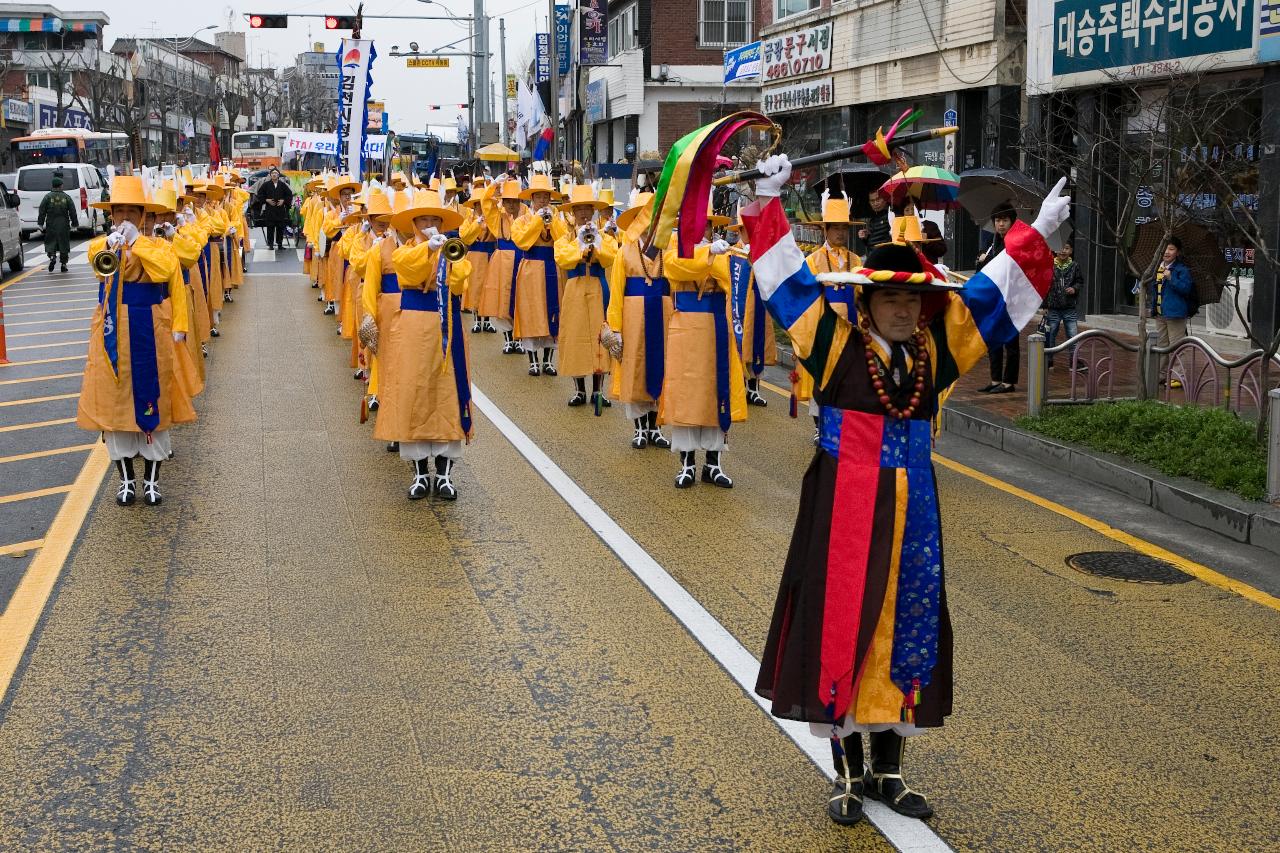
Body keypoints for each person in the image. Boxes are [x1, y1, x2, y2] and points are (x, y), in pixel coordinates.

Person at [742, 152, 1068, 828]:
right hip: (843, 505)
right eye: (889, 296)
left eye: (911, 298)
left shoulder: (934, 351)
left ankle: (889, 769)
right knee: (841, 623)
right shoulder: (832, 345)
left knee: (907, 623)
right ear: (866, 301)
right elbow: (787, 287)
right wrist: (764, 205)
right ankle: (846, 769)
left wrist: (1034, 234)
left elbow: (989, 296)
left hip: (914, 506)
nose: (900, 308)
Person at [78, 176, 197, 506]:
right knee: (116, 407)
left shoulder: (157, 246)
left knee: (153, 401)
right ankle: (126, 480)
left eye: (133, 211)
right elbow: (95, 262)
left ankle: (152, 481)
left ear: (144, 216)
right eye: (120, 212)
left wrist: (138, 242)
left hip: (150, 331)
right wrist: (113, 243)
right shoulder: (103, 244)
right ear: (112, 215)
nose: (126, 217)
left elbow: (165, 270)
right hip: (111, 333)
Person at [378, 189, 474, 500]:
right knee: (414, 393)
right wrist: (427, 251)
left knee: (447, 394)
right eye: (424, 219)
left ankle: (445, 475)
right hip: (414, 327)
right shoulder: (404, 250)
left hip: (447, 325)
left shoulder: (453, 249)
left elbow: (461, 281)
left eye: (435, 219)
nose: (430, 224)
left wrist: (446, 255)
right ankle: (420, 474)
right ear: (415, 223)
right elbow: (408, 268)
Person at [662, 214, 747, 488]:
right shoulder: (675, 245)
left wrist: (713, 256)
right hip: (686, 327)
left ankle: (714, 462)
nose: (703, 229)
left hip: (715, 326)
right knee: (686, 393)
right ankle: (686, 463)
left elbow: (728, 278)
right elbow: (675, 269)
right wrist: (707, 254)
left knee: (716, 391)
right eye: (698, 223)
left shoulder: (723, 249)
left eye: (707, 224)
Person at [604, 192, 672, 451]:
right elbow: (616, 291)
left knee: (662, 364)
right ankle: (640, 428)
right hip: (634, 316)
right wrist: (616, 327)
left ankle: (656, 426)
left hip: (663, 313)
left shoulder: (669, 246)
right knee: (636, 367)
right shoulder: (625, 251)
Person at [555, 185, 617, 408]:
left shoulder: (604, 237)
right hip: (575, 286)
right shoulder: (564, 238)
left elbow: (612, 256)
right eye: (578, 208)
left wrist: (596, 245)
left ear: (592, 211)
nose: (583, 213)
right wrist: (580, 244)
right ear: (573, 212)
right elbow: (562, 259)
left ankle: (599, 390)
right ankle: (579, 389)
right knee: (575, 335)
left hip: (598, 285)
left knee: (600, 336)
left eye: (587, 208)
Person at [511, 174, 567, 375]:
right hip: (531, 268)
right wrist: (537, 221)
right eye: (539, 197)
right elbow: (523, 242)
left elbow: (563, 240)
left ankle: (548, 361)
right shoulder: (521, 220)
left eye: (546, 196)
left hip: (552, 266)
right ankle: (533, 360)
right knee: (532, 312)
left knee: (552, 310)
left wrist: (553, 223)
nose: (543, 200)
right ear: (532, 199)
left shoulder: (557, 217)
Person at [976, 204, 1019, 393]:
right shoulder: (993, 241)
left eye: (1005, 220)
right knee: (993, 339)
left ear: (1011, 222)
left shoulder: (1015, 242)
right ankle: (995, 380)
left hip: (1011, 299)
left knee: (1010, 341)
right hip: (994, 297)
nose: (1001, 224)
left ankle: (1008, 382)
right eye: (998, 221)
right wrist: (982, 260)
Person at [1148, 237, 1194, 385]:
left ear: (1177, 252)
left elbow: (1186, 289)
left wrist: (1171, 278)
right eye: (1165, 248)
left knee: (1177, 346)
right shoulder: (1159, 267)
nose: (1167, 252)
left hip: (1176, 314)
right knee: (1162, 346)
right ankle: (1162, 375)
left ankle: (1177, 377)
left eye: (1171, 249)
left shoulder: (1182, 270)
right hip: (1161, 313)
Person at [1045, 242, 1084, 371]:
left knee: (1073, 335)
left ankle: (1074, 362)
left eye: (1066, 248)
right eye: (1060, 248)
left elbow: (1080, 281)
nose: (1063, 251)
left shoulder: (1074, 265)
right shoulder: (1049, 264)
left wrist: (1074, 288)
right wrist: (1045, 305)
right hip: (1053, 307)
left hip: (1069, 307)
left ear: (1071, 250)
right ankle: (1048, 361)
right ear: (1054, 250)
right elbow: (1044, 285)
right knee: (1050, 335)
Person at [38, 173, 76, 272]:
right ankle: (63, 264)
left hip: (51, 224)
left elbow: (42, 211)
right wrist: (74, 223)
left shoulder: (47, 197)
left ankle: (52, 256)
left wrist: (40, 223)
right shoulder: (66, 197)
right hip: (64, 224)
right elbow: (72, 210)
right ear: (60, 185)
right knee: (64, 243)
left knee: (51, 242)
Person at [255, 167, 294, 250]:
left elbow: (289, 194)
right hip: (270, 209)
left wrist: (283, 201)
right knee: (270, 227)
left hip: (280, 209)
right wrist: (266, 200)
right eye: (272, 173)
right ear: (270, 175)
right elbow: (260, 194)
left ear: (278, 175)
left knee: (280, 227)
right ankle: (271, 244)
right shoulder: (266, 185)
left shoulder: (283, 185)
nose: (274, 174)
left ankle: (280, 244)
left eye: (276, 173)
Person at [856, 188, 891, 255]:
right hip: (872, 257)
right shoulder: (872, 220)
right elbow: (870, 243)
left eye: (878, 199)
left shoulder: (891, 216)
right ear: (869, 203)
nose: (875, 203)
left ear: (885, 199)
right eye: (872, 201)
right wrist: (865, 237)